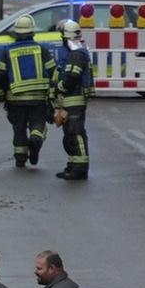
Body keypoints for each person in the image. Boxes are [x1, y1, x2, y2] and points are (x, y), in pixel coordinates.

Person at [0, 15, 58, 168]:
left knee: (19, 127)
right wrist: (54, 95)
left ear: (16, 33)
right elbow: (53, 72)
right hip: (38, 98)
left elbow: (0, 75)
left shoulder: (7, 51)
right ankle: (35, 139)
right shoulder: (41, 50)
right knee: (38, 124)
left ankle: (20, 158)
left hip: (15, 99)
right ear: (32, 33)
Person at [52, 20, 93, 181]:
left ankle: (80, 168)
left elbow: (71, 76)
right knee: (69, 134)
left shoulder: (76, 54)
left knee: (76, 133)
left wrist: (59, 87)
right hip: (69, 100)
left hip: (74, 99)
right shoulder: (75, 51)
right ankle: (72, 164)